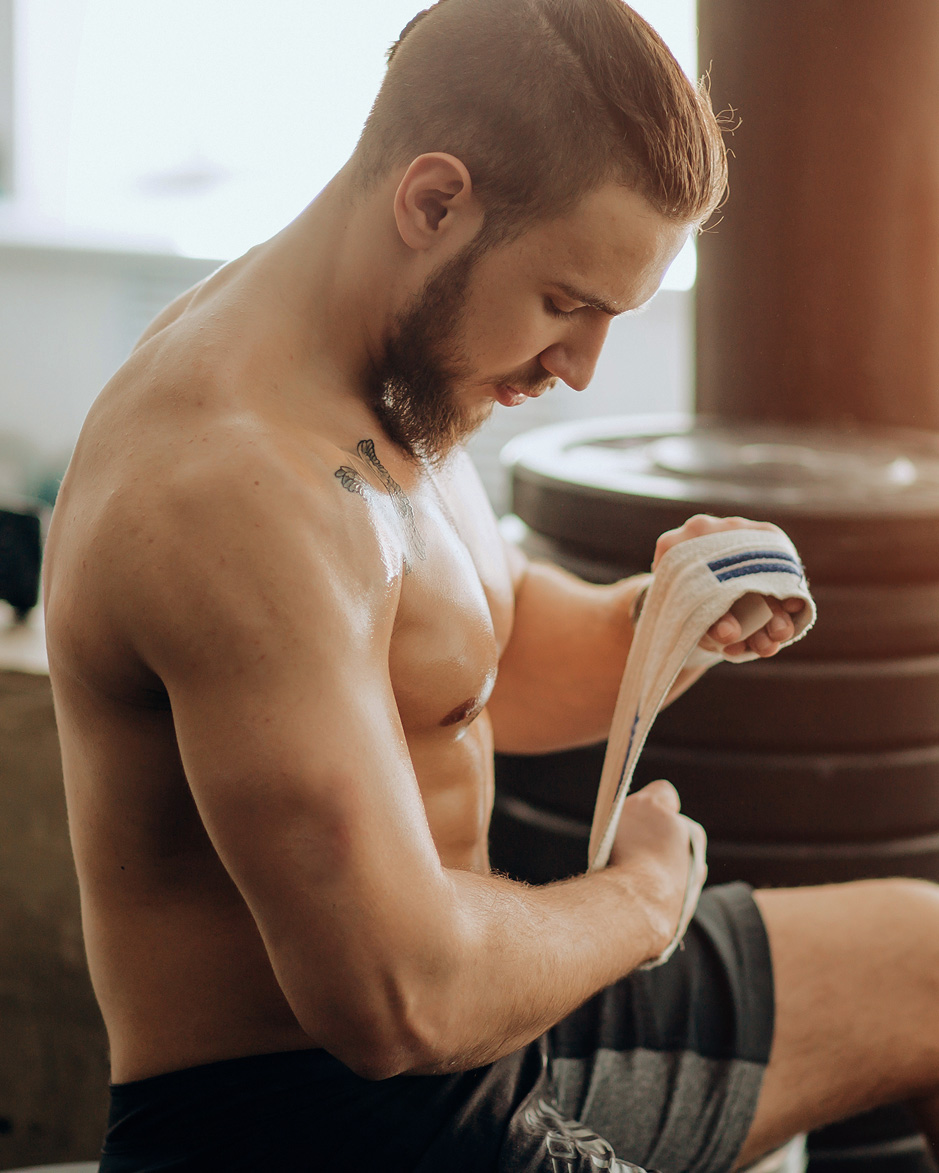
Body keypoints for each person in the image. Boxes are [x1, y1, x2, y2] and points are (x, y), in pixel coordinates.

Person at [42, 0, 939, 1169]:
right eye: (567, 304)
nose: (581, 368)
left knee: (925, 955)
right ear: (432, 203)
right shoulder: (229, 490)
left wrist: (669, 617)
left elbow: (483, 667)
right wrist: (640, 901)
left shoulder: (396, 369)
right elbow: (399, 998)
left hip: (495, 1048)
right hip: (327, 1126)